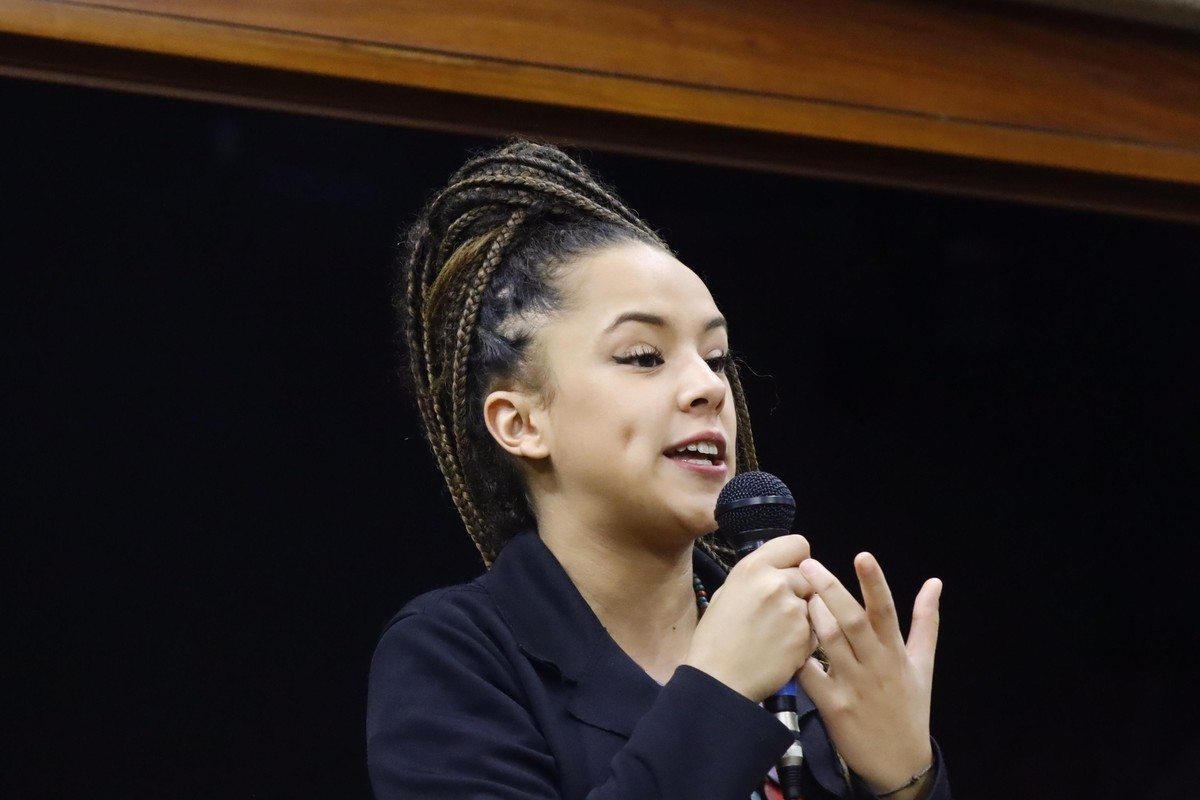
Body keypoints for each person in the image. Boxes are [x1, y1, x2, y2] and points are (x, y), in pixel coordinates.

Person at [366, 139, 950, 800]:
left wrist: (908, 780)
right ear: (521, 422)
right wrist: (719, 691)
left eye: (716, 358)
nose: (709, 387)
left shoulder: (812, 657)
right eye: (644, 356)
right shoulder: (455, 656)